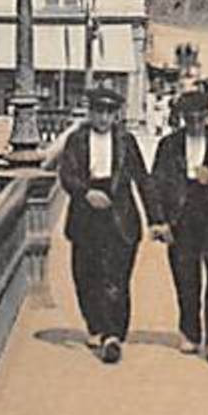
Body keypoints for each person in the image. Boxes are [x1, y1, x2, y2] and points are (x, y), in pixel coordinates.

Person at [55, 85, 155, 364]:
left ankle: (113, 335)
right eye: (98, 111)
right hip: (86, 214)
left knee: (116, 277)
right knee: (86, 274)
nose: (102, 118)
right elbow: (66, 174)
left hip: (120, 214)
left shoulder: (127, 141)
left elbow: (143, 180)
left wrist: (156, 219)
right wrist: (85, 192)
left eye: (109, 112)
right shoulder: (77, 140)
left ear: (116, 115)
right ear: (90, 112)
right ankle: (96, 326)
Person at [147, 90, 208, 365]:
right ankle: (190, 332)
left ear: (207, 115)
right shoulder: (169, 145)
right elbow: (155, 183)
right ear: (181, 118)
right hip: (181, 216)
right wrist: (158, 220)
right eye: (188, 119)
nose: (193, 123)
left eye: (198, 118)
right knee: (186, 277)